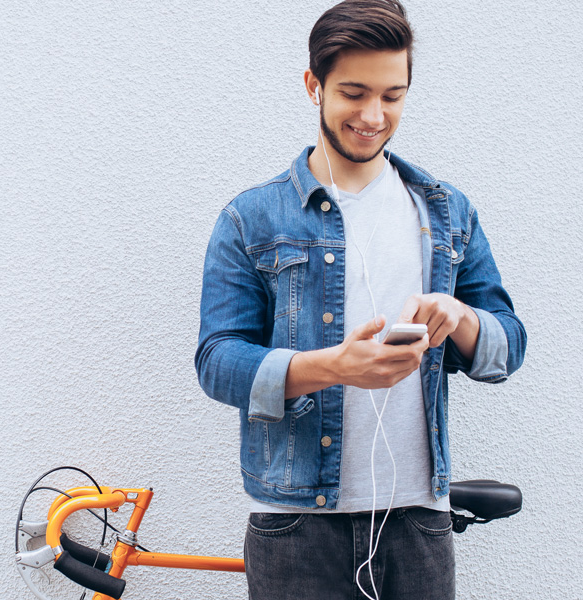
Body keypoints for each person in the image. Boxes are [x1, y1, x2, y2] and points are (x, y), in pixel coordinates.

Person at [195, 1, 526, 598]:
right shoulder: (251, 217)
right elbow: (216, 362)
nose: (374, 116)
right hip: (297, 526)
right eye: (354, 93)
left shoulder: (447, 212)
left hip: (420, 521)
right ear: (313, 86)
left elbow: (509, 343)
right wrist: (331, 369)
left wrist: (463, 318)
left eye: (392, 96)